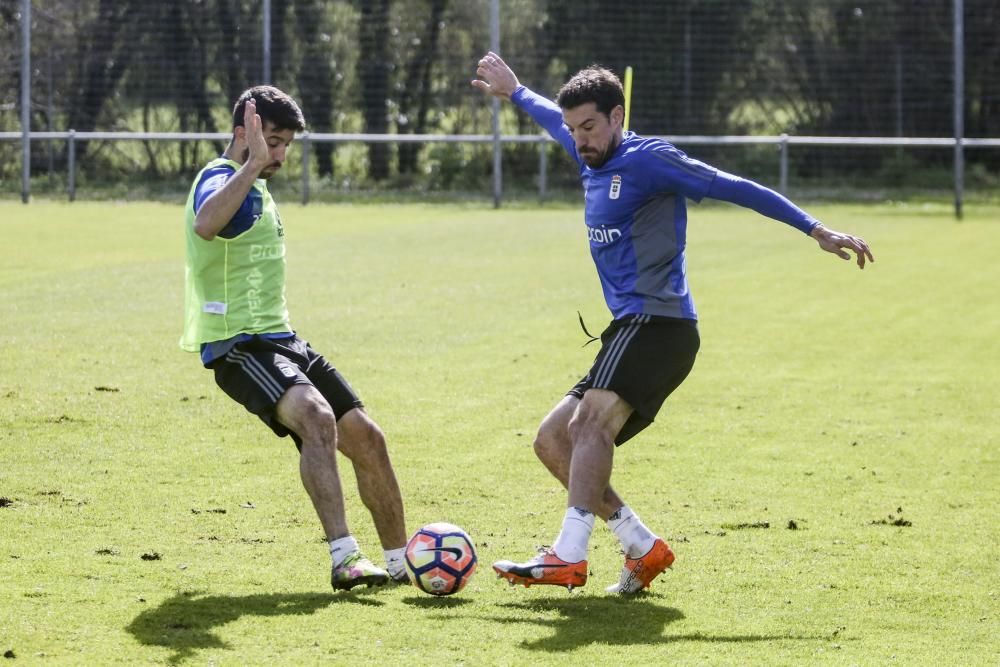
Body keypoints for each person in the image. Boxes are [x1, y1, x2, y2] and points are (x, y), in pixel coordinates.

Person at [472, 53, 873, 594]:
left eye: (589, 126)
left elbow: (736, 186)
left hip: (658, 324)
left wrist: (816, 228)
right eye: (574, 129)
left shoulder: (649, 161)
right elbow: (550, 117)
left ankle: (568, 555)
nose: (579, 139)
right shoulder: (588, 152)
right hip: (633, 328)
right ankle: (642, 546)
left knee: (586, 427)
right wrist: (517, 92)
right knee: (553, 442)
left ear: (618, 117)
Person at [180, 85, 408, 591]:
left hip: (283, 339)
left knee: (369, 440)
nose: (280, 156)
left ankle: (402, 565)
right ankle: (345, 557)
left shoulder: (255, 183)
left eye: (285, 146)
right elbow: (205, 223)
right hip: (237, 344)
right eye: (273, 142)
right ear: (245, 133)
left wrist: (257, 167)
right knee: (315, 416)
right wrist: (252, 164)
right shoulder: (221, 177)